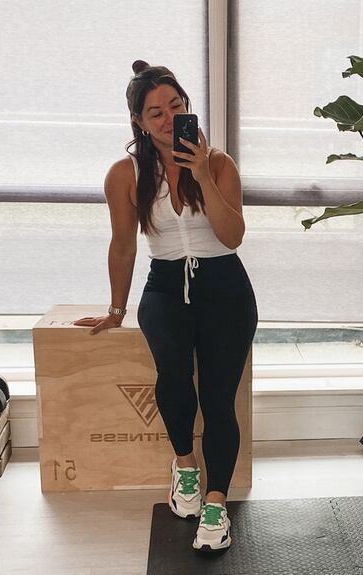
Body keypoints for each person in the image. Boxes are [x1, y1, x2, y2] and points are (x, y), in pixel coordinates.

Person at [73, 60, 257, 553]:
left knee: (219, 400)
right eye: (155, 112)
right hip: (164, 286)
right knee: (173, 378)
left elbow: (233, 235)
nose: (167, 117)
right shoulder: (125, 174)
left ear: (186, 108)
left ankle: (216, 504)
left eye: (175, 106)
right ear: (138, 120)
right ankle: (185, 469)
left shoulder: (218, 162)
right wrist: (116, 309)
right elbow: (123, 245)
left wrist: (202, 173)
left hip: (225, 288)